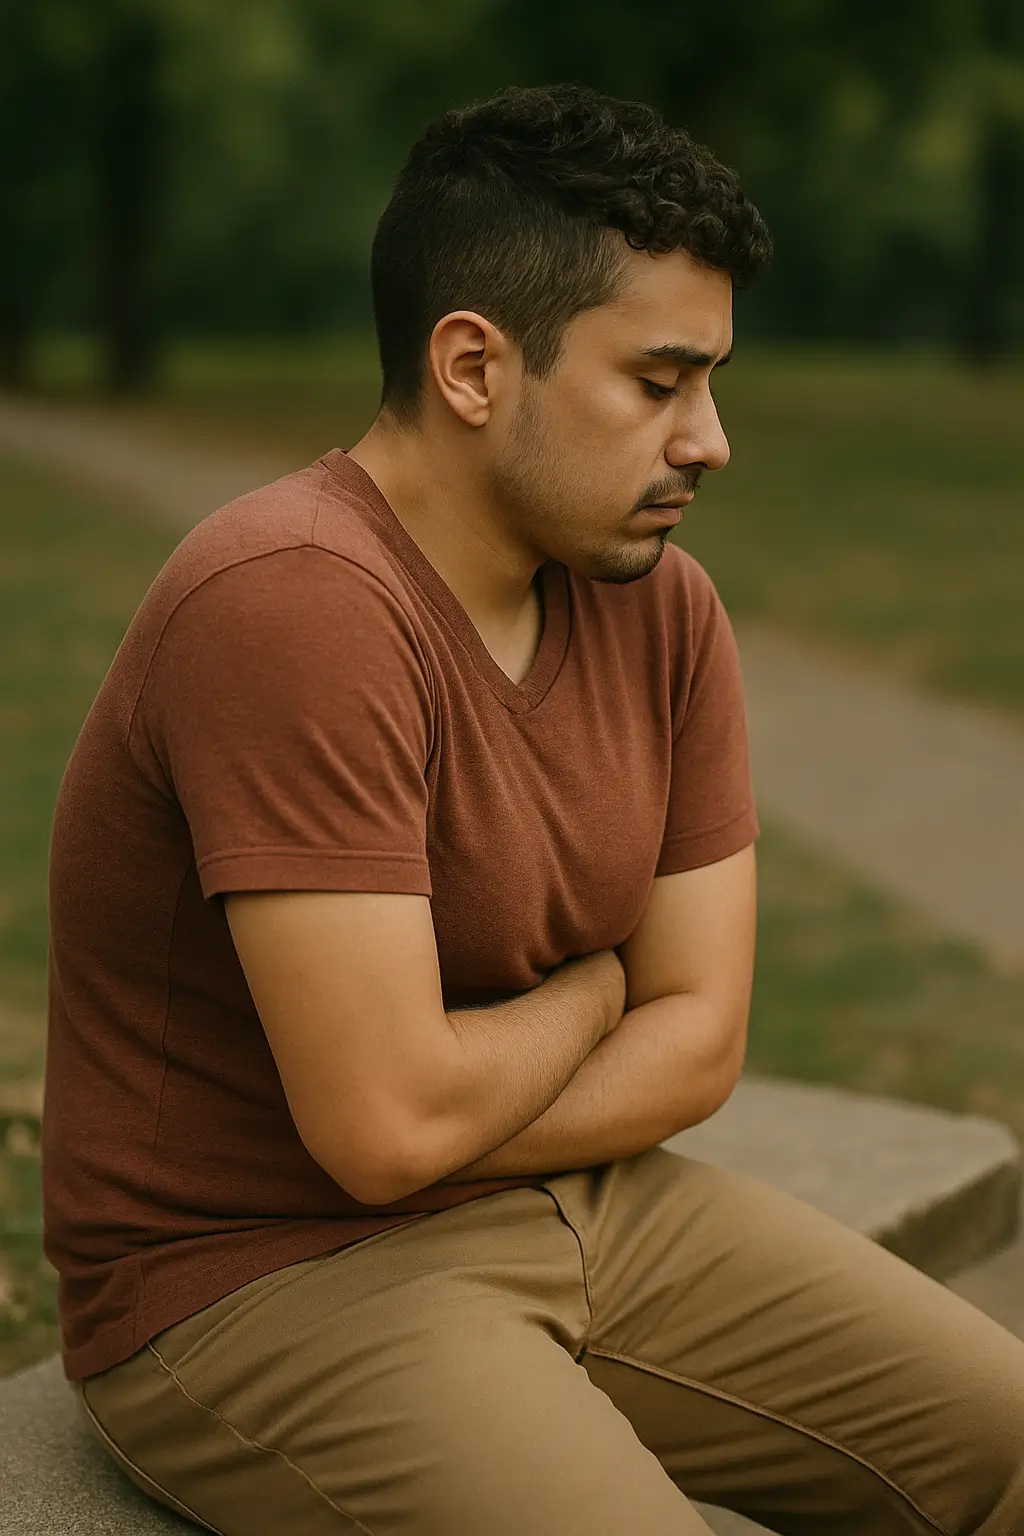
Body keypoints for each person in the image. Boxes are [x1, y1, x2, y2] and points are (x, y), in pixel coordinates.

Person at [43, 82, 1023, 1536]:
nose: (712, 441)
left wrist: (464, 1087)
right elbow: (382, 1132)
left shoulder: (663, 609)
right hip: (260, 1279)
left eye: (714, 382)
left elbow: (701, 1040)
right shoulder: (292, 603)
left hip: (597, 1205)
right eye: (659, 382)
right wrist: (593, 993)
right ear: (472, 368)